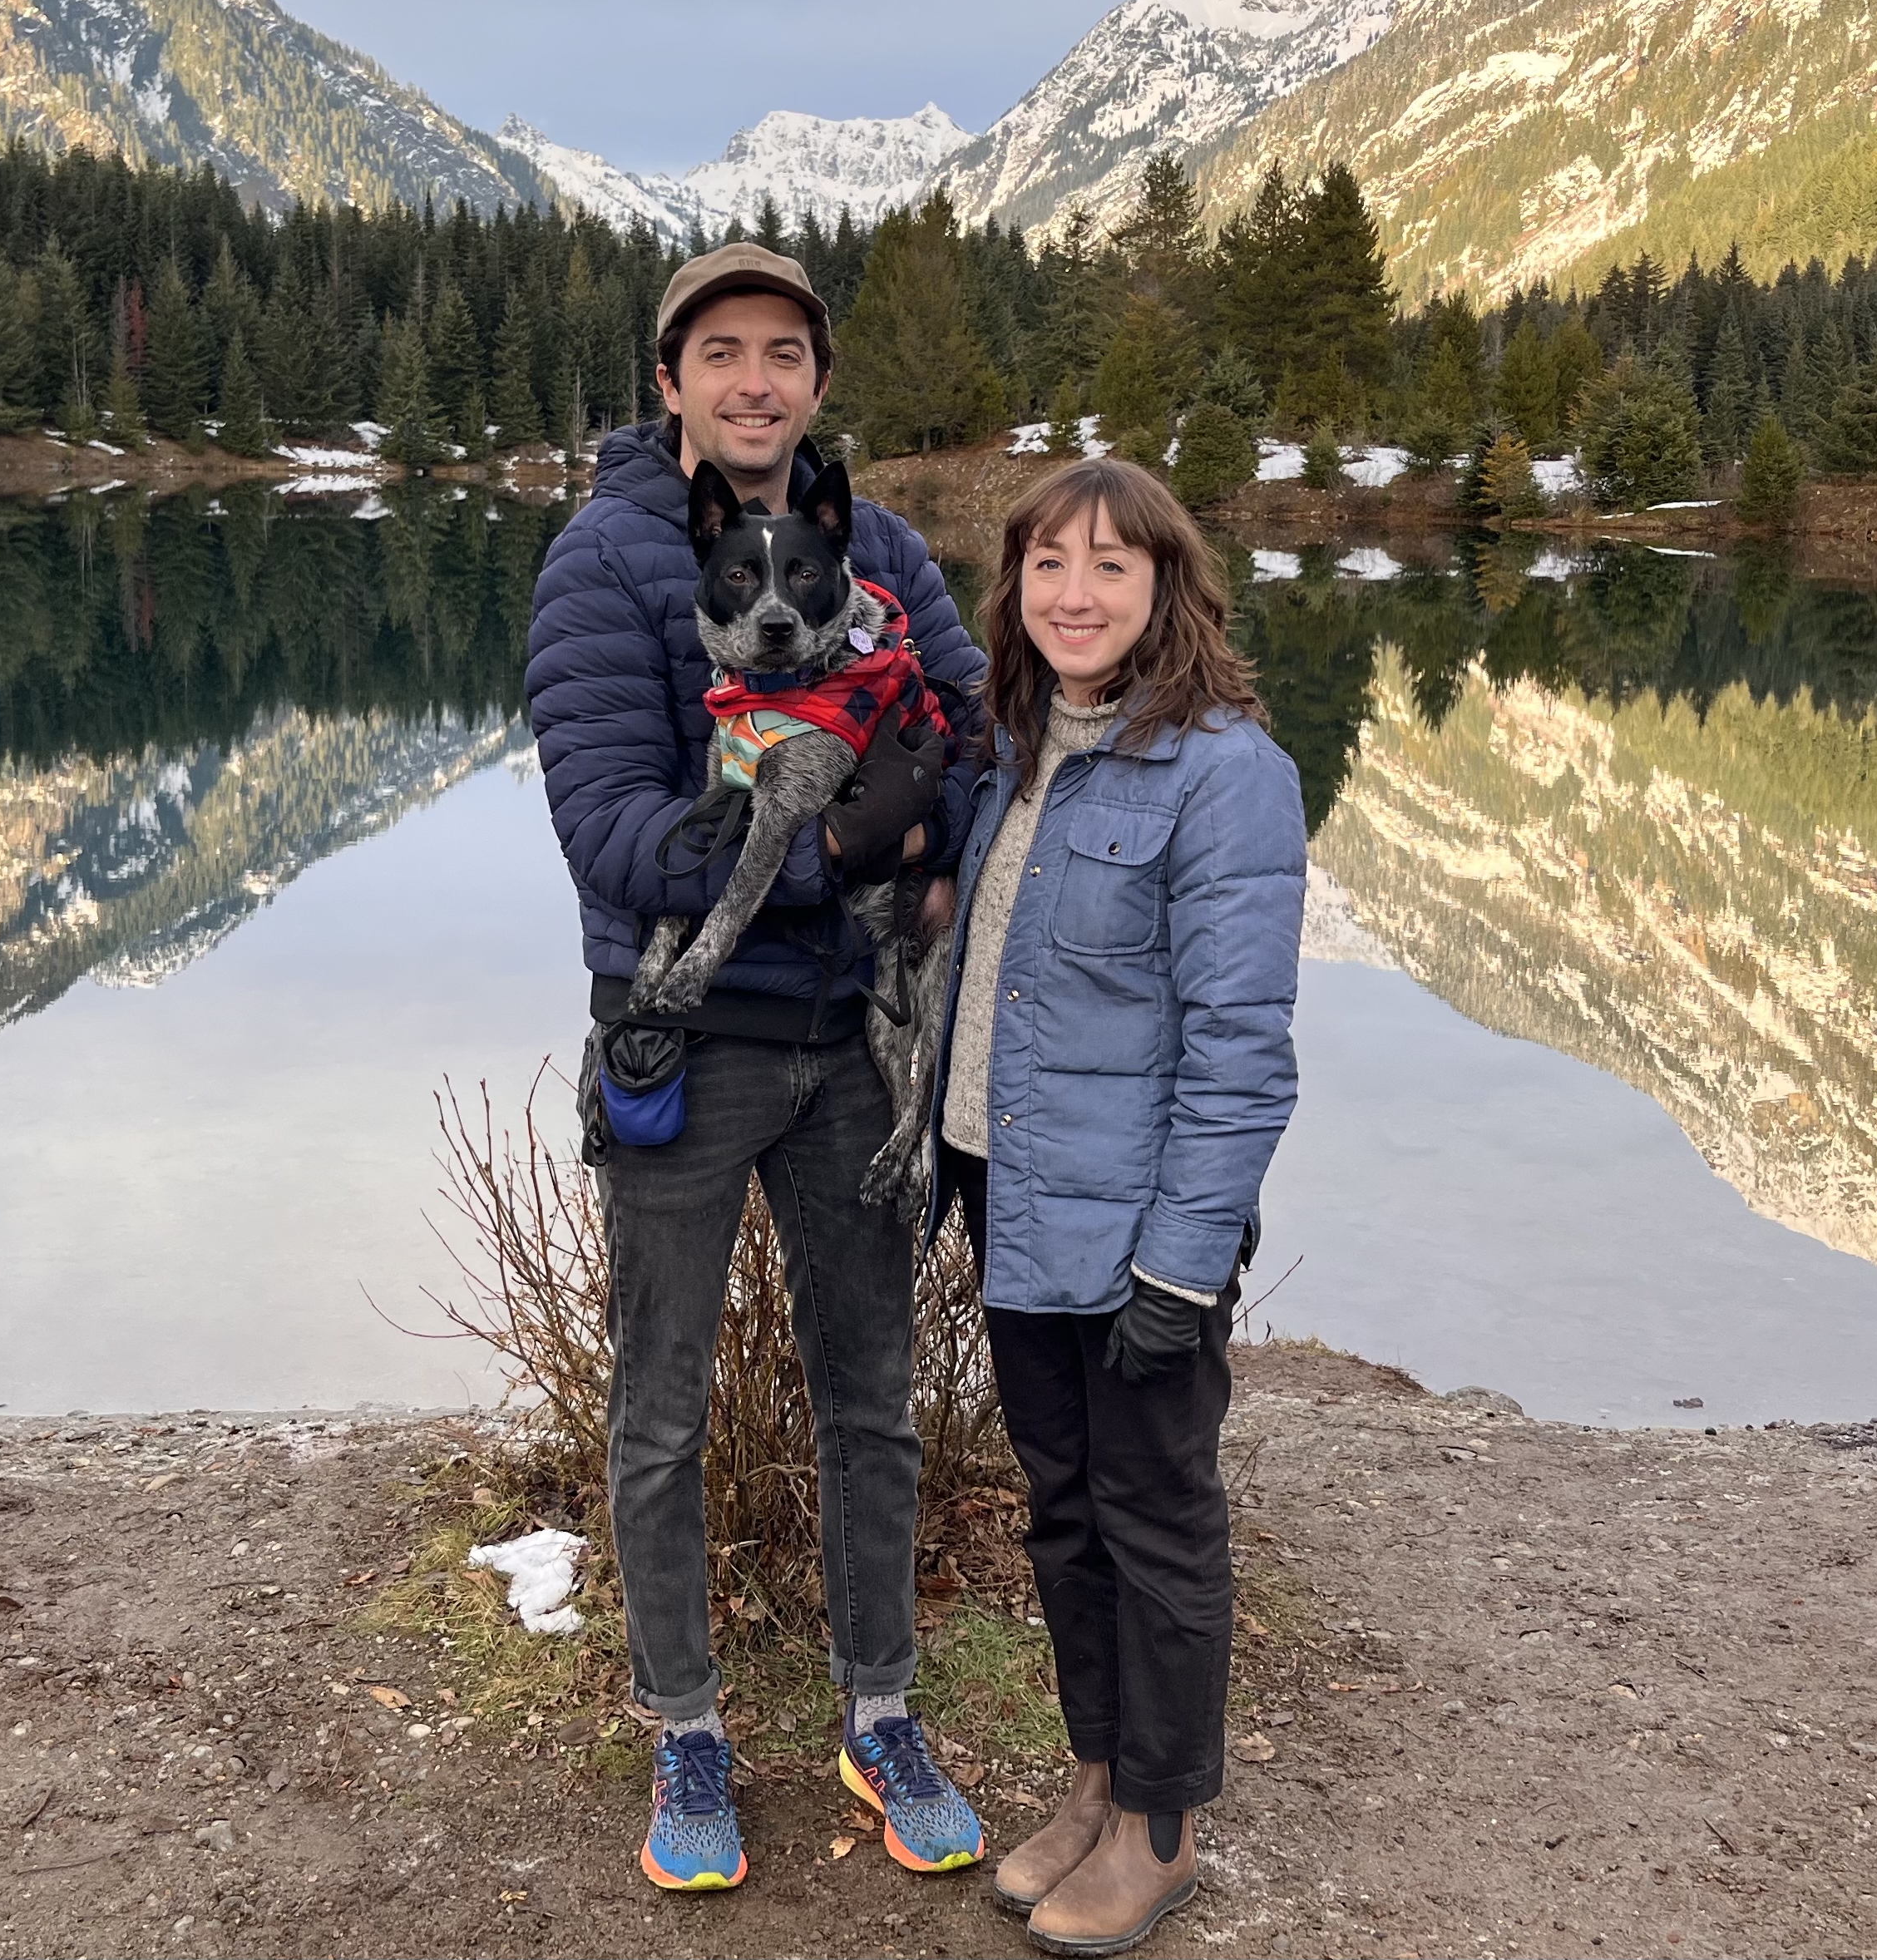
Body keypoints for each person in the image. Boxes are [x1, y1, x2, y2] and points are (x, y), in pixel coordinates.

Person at [522, 242, 987, 1893]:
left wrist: (907, 807)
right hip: (693, 1045)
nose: (753, 381)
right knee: (656, 1415)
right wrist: (832, 841)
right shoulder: (604, 561)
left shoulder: (885, 552)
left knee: (873, 1399)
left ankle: (880, 1716)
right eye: (719, 352)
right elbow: (610, 827)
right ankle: (688, 1738)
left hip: (855, 1048)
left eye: (782, 352)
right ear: (670, 382)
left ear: (814, 380)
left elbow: (968, 730)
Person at [933, 457, 1306, 1954]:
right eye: (1046, 567)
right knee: (1065, 1515)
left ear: (1166, 590)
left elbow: (1240, 1048)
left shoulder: (1223, 770)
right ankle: (1092, 1784)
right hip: (1012, 1201)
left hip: (1136, 1232)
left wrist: (1184, 1261)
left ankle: (1160, 1828)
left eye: (1109, 569)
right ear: (1014, 589)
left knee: (1156, 1521)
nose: (1074, 595)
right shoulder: (1020, 747)